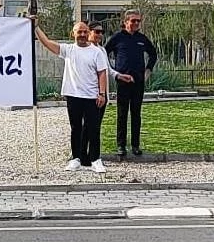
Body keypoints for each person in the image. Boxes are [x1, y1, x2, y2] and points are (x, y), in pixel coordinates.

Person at [34, 20, 109, 173]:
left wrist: (102, 93)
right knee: (76, 128)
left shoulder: (96, 52)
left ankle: (95, 160)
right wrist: (36, 27)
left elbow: (102, 73)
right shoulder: (68, 50)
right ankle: (76, 159)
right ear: (73, 33)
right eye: (79, 32)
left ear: (88, 33)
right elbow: (47, 43)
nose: (82, 34)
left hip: (92, 96)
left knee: (93, 129)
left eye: (84, 32)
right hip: (73, 95)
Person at [105, 9, 158, 157]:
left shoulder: (142, 38)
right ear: (126, 22)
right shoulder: (117, 37)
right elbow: (103, 53)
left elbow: (153, 54)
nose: (136, 23)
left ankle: (135, 145)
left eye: (138, 21)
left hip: (138, 82)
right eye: (133, 21)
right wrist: (113, 72)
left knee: (136, 114)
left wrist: (148, 70)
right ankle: (121, 145)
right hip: (123, 82)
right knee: (122, 114)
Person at [87, 21, 133, 167]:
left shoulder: (101, 50)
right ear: (89, 32)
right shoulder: (85, 49)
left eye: (101, 32)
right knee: (86, 125)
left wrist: (120, 75)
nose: (99, 34)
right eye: (96, 31)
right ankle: (81, 154)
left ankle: (92, 155)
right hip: (89, 93)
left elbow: (108, 70)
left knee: (96, 125)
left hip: (102, 94)